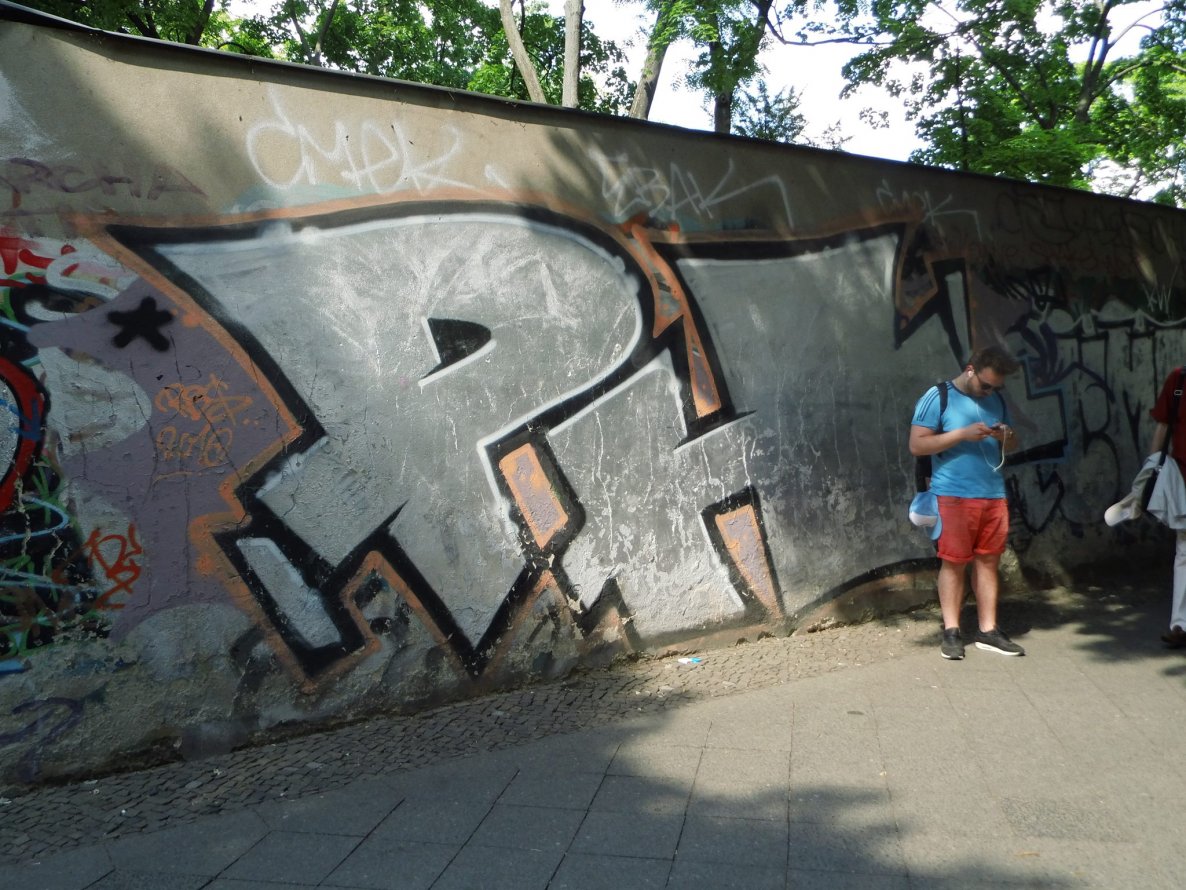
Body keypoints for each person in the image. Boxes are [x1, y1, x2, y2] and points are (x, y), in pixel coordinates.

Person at [909, 346, 1024, 660]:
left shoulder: (996, 400)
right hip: (954, 495)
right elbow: (917, 445)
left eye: (996, 388)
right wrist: (961, 434)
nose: (989, 392)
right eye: (985, 385)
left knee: (989, 562)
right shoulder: (938, 397)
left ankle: (988, 630)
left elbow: (1013, 444)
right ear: (970, 369)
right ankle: (951, 631)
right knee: (954, 562)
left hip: (993, 494)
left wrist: (1005, 436)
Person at [1148, 367, 1186, 648]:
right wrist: (1150, 469)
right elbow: (1163, 425)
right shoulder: (1179, 379)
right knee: (1184, 552)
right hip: (1183, 478)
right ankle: (1180, 625)